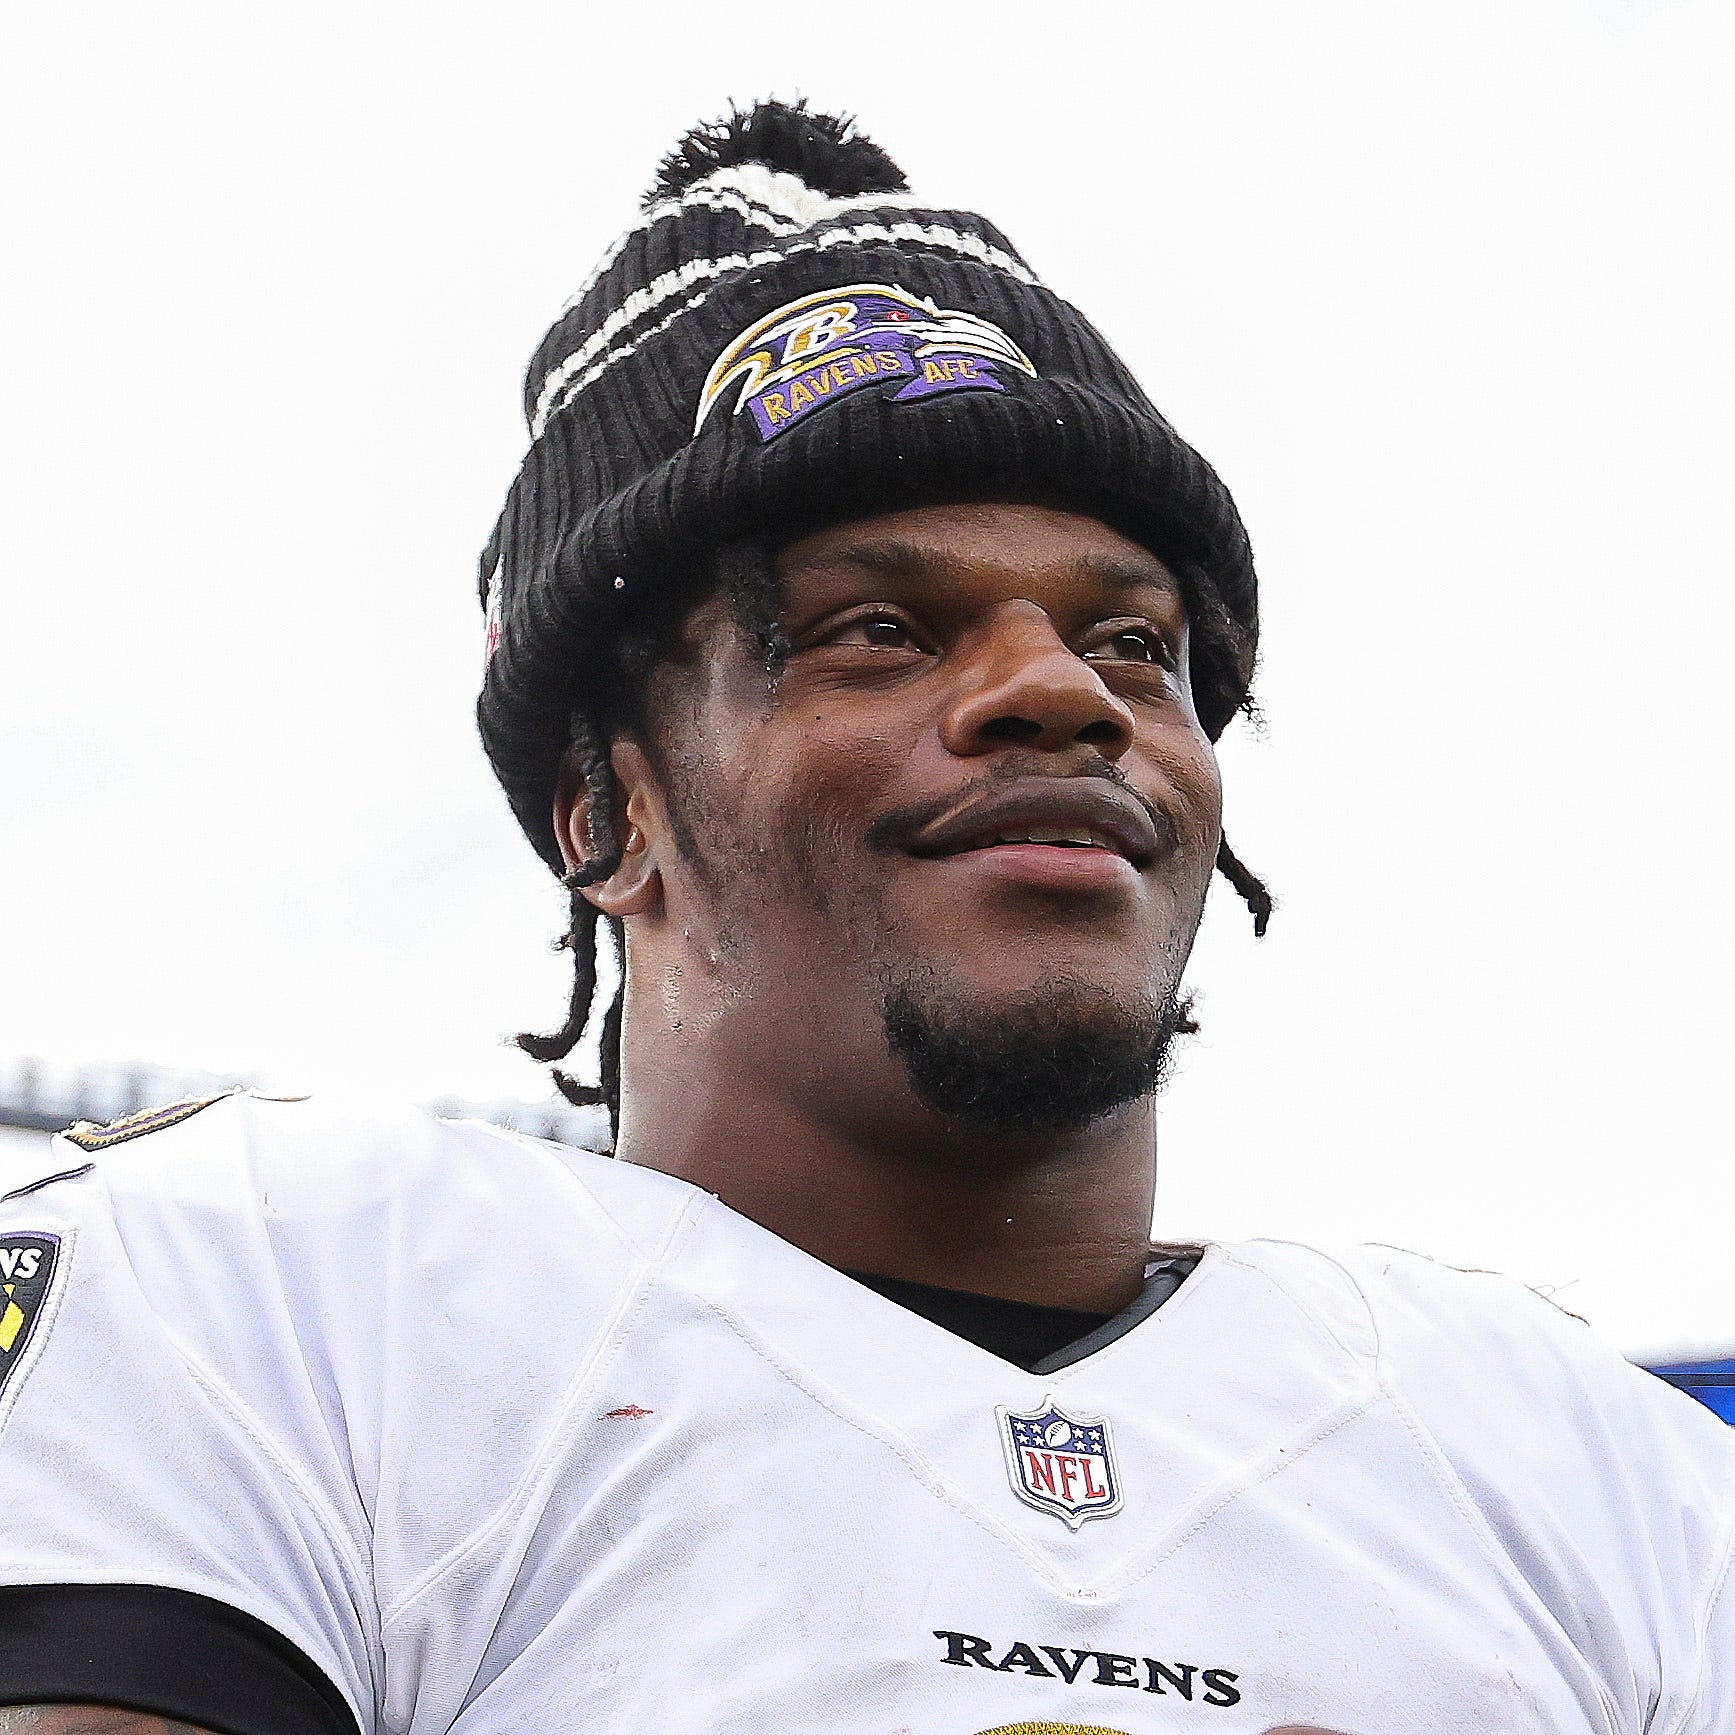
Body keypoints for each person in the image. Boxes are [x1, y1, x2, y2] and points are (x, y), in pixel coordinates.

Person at [0, 99, 1728, 1735]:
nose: (1061, 692)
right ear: (605, 810)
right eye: (880, 631)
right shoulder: (283, 1297)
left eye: (1136, 644)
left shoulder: (1596, 1480)